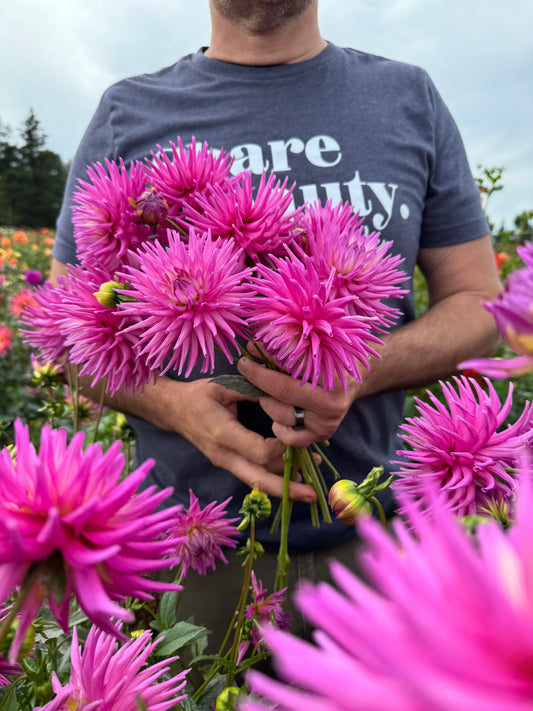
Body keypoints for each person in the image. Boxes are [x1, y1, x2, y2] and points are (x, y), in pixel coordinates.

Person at [50, 0, 501, 644]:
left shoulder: (407, 96)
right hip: (196, 561)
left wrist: (351, 368)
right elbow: (69, 335)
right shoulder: (128, 112)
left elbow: (479, 304)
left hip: (378, 541)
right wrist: (175, 407)